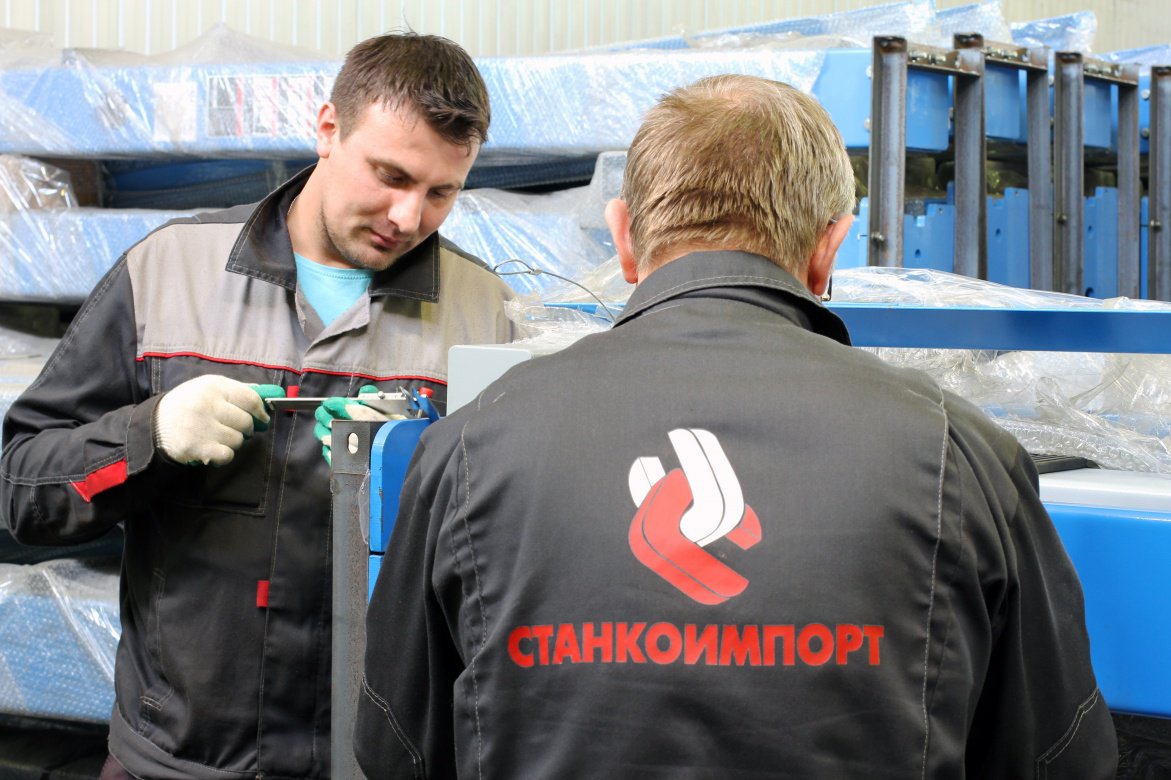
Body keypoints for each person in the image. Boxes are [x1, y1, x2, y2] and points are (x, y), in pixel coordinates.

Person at [354, 74, 1118, 778]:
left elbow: (397, 747)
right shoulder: (959, 455)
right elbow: (1057, 756)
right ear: (827, 248)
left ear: (623, 239)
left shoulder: (469, 447)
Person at [0, 32, 519, 780]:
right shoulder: (166, 272)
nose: (408, 216)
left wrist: (417, 470)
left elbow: (508, 551)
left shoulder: (488, 314)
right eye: (391, 175)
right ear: (328, 129)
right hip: (178, 763)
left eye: (441, 192)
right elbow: (22, 489)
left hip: (373, 762)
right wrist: (149, 437)